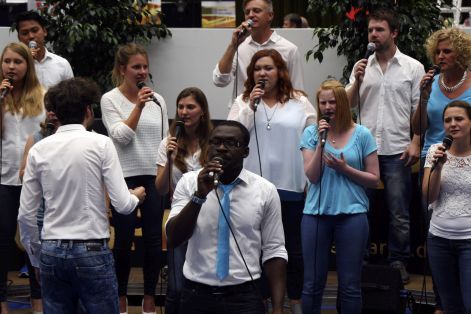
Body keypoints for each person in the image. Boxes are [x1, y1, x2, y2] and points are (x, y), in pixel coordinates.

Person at [17, 77, 146, 314]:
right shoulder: (101, 144)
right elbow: (122, 204)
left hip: (51, 249)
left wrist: (36, 257)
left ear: (55, 112)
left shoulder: (38, 149)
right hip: (91, 249)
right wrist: (137, 196)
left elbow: (26, 215)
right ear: (88, 110)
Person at [166, 120, 287, 314]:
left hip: (246, 296)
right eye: (215, 142)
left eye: (231, 143)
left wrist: (278, 307)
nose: (221, 148)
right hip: (197, 294)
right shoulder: (189, 183)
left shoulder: (265, 190)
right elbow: (174, 237)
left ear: (246, 152)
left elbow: (274, 250)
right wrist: (199, 196)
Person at [228, 48, 315, 313]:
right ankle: (262, 302)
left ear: (280, 72)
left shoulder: (299, 101)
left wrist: (309, 177)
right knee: (255, 248)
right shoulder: (243, 102)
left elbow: (312, 137)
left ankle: (295, 302)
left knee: (293, 250)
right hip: (253, 190)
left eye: (268, 68)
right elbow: (233, 137)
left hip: (291, 186)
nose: (262, 73)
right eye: (257, 69)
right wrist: (250, 106)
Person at [346, 7, 424, 283]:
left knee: (399, 212)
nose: (374, 35)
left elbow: (419, 109)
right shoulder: (362, 65)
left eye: (379, 30)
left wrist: (416, 141)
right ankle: (360, 259)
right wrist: (355, 80)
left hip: (397, 148)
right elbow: (349, 105)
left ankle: (398, 263)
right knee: (359, 209)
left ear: (394, 32)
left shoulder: (413, 67)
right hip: (364, 149)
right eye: (370, 30)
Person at [300, 79, 379, 313]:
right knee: (312, 283)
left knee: (350, 285)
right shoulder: (312, 134)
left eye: (332, 102)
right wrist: (321, 144)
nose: (327, 107)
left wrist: (345, 169)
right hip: (315, 214)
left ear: (343, 103)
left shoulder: (362, 134)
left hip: (352, 214)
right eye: (323, 102)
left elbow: (374, 179)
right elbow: (312, 177)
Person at [100, 42, 168, 314]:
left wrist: (167, 175)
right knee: (124, 238)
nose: (142, 72)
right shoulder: (109, 99)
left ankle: (150, 296)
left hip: (154, 175)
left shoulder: (158, 100)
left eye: (144, 67)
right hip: (123, 176)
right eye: (135, 67)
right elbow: (121, 138)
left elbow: (164, 142)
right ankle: (120, 294)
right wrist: (138, 107)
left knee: (153, 238)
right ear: (122, 69)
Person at [411, 27, 471, 314]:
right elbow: (418, 128)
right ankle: (441, 301)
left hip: (468, 160)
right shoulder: (430, 84)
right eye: (437, 51)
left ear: (461, 54)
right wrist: (422, 96)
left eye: (447, 51)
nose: (441, 56)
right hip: (434, 160)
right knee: (436, 232)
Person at [155, 87, 213, 314]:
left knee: (201, 283)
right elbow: (160, 189)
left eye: (191, 107)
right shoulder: (168, 143)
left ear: (203, 112)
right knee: (177, 285)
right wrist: (170, 159)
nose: (184, 112)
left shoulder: (214, 142)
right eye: (181, 107)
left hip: (208, 217)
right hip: (180, 217)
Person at [0, 42, 45, 314]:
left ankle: (38, 301)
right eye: (7, 61)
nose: (12, 66)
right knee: (2, 240)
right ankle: (2, 301)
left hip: (35, 180)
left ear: (27, 65)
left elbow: (49, 135)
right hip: (3, 179)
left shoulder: (42, 96)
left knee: (35, 241)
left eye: (18, 61)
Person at [422, 100, 471, 314]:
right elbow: (428, 197)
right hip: (439, 240)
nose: (453, 124)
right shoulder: (436, 150)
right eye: (447, 120)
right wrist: (439, 167)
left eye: (459, 118)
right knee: (449, 305)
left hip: (469, 240)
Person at [213, 0, 304, 102]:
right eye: (247, 12)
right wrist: (232, 46)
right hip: (242, 113)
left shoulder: (289, 49)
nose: (251, 15)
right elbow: (219, 81)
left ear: (270, 15)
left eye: (256, 11)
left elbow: (297, 91)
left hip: (276, 113)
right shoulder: (239, 46)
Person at [15, 10, 73, 88]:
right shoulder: (14, 66)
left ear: (45, 32)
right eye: (25, 33)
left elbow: (72, 96)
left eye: (35, 30)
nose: (31, 36)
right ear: (19, 38)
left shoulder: (62, 64)